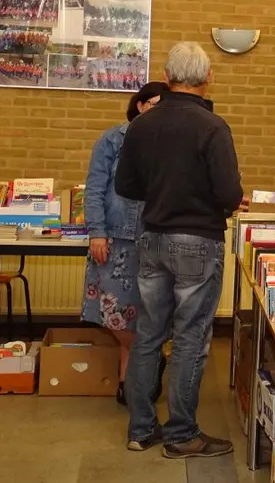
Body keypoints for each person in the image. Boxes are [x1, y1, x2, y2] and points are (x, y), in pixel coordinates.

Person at [116, 41, 243, 458]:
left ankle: (140, 430)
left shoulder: (142, 125)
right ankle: (182, 434)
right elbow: (228, 192)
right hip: (198, 243)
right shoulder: (212, 127)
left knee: (148, 336)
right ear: (208, 79)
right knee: (190, 338)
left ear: (167, 78)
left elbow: (125, 186)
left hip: (151, 238)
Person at [82, 81, 170, 405]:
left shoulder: (169, 145)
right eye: (154, 104)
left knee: (146, 314)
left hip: (155, 240)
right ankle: (149, 362)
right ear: (140, 105)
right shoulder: (112, 140)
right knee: (114, 315)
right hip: (115, 241)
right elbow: (94, 189)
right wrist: (97, 232)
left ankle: (128, 383)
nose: (158, 112)